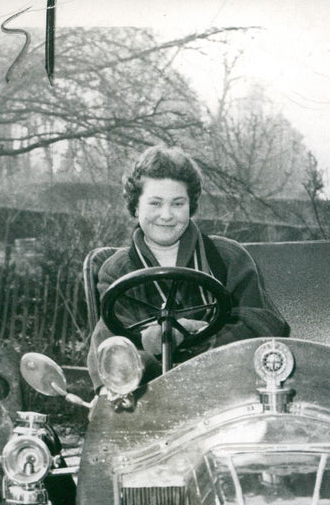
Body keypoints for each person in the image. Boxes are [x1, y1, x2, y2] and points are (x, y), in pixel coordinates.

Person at [87, 145, 289, 386]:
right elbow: (110, 350)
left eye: (177, 203)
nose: (166, 215)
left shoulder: (227, 257)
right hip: (151, 398)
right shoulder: (116, 270)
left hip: (223, 388)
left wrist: (202, 339)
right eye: (155, 203)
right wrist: (152, 345)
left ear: (191, 206)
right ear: (135, 205)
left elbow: (262, 324)